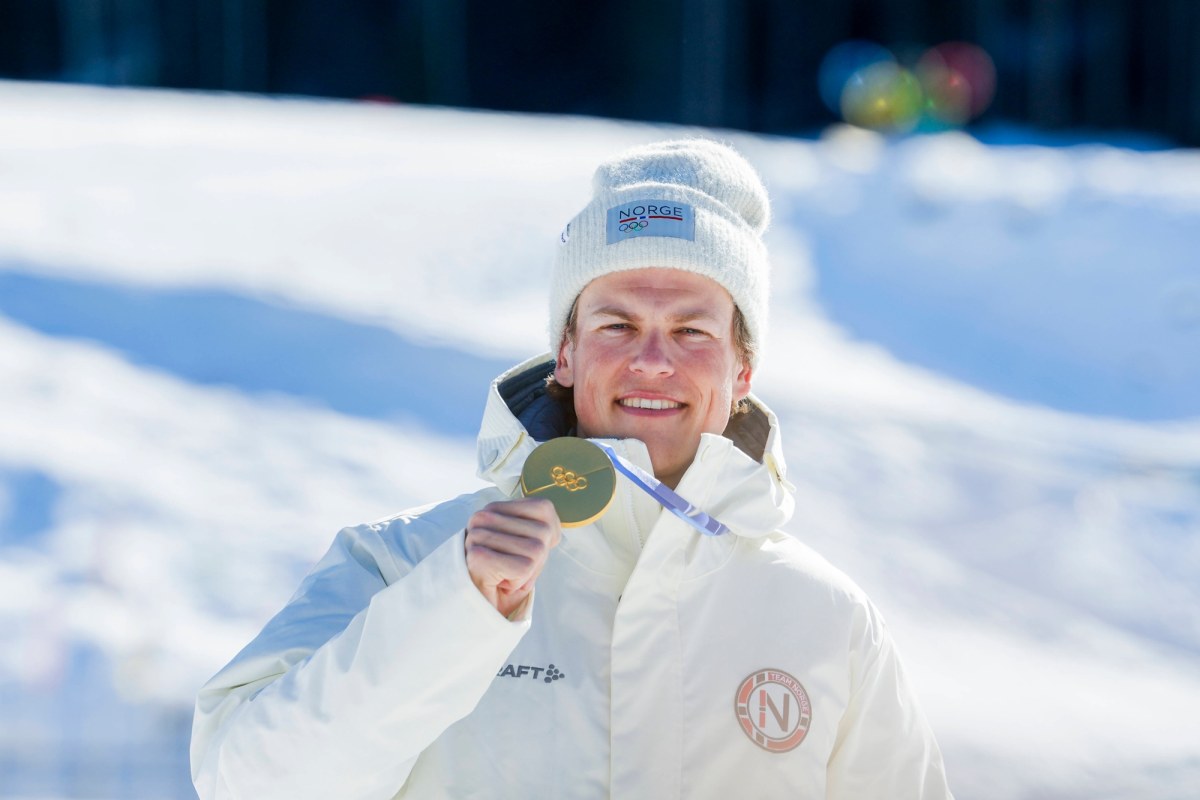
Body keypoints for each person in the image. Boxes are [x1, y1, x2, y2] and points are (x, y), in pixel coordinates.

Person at [190, 138, 952, 798]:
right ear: (567, 351)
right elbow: (247, 783)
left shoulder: (824, 619)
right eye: (618, 324)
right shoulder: (404, 564)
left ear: (743, 372)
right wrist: (454, 610)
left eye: (692, 331)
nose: (653, 361)